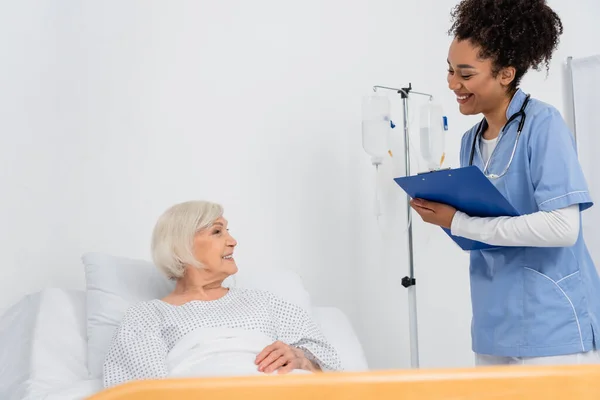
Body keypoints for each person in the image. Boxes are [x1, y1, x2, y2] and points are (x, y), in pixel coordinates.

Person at [410, 0, 600, 366]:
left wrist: (457, 221)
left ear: (505, 74)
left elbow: (562, 228)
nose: (452, 84)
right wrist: (442, 209)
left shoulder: (544, 125)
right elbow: (479, 231)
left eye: (465, 74)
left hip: (551, 322)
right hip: (493, 321)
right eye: (450, 71)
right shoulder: (470, 140)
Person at [102, 200, 341, 388]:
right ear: (181, 244)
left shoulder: (265, 302)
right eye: (217, 231)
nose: (233, 241)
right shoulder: (147, 315)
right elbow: (141, 392)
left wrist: (304, 362)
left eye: (228, 231)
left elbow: (334, 372)